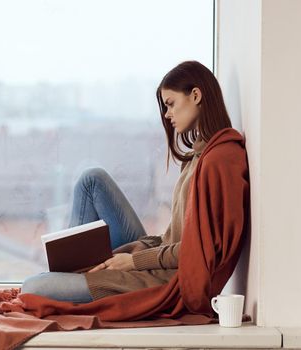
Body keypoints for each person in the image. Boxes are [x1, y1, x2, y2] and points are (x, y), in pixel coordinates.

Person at [21, 60, 238, 303]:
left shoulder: (220, 159)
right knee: (92, 179)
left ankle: (72, 278)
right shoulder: (199, 156)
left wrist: (134, 261)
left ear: (196, 95)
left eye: (171, 104)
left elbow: (197, 251)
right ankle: (75, 271)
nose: (167, 114)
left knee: (31, 287)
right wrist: (141, 248)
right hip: (159, 260)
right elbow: (174, 237)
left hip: (166, 280)